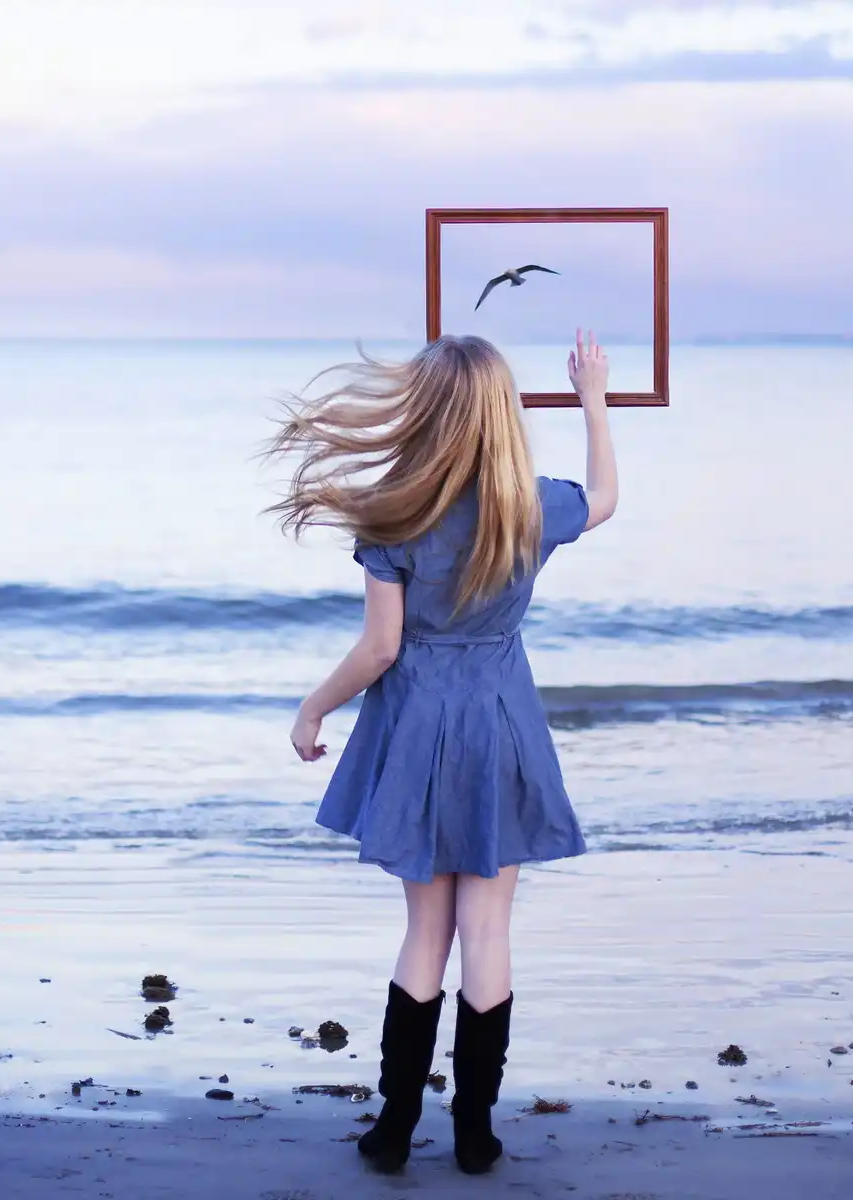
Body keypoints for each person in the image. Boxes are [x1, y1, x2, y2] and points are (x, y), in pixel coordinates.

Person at [262, 329, 618, 1175]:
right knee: (486, 930)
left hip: (417, 730)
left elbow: (380, 650)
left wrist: (314, 707)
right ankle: (476, 1130)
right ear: (503, 414)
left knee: (426, 932)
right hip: (500, 724)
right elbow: (604, 495)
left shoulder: (396, 512)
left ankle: (393, 1125)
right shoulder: (530, 505)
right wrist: (592, 398)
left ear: (424, 413)